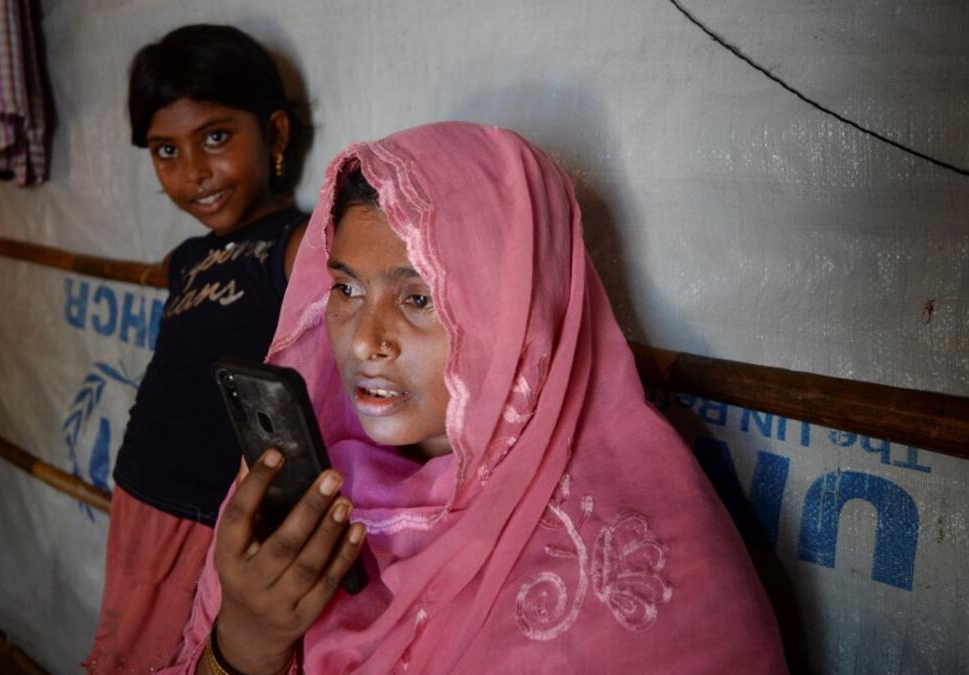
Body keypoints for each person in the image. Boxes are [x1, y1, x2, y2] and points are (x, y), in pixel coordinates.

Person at [161, 122, 787, 673]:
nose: (364, 344)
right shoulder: (315, 497)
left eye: (419, 299)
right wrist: (243, 647)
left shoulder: (635, 564)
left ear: (519, 314)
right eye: (346, 291)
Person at [84, 24, 313, 674]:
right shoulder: (186, 259)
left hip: (214, 519)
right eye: (165, 150)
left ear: (274, 134)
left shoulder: (293, 249)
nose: (194, 173)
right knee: (130, 653)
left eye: (216, 137)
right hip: (141, 496)